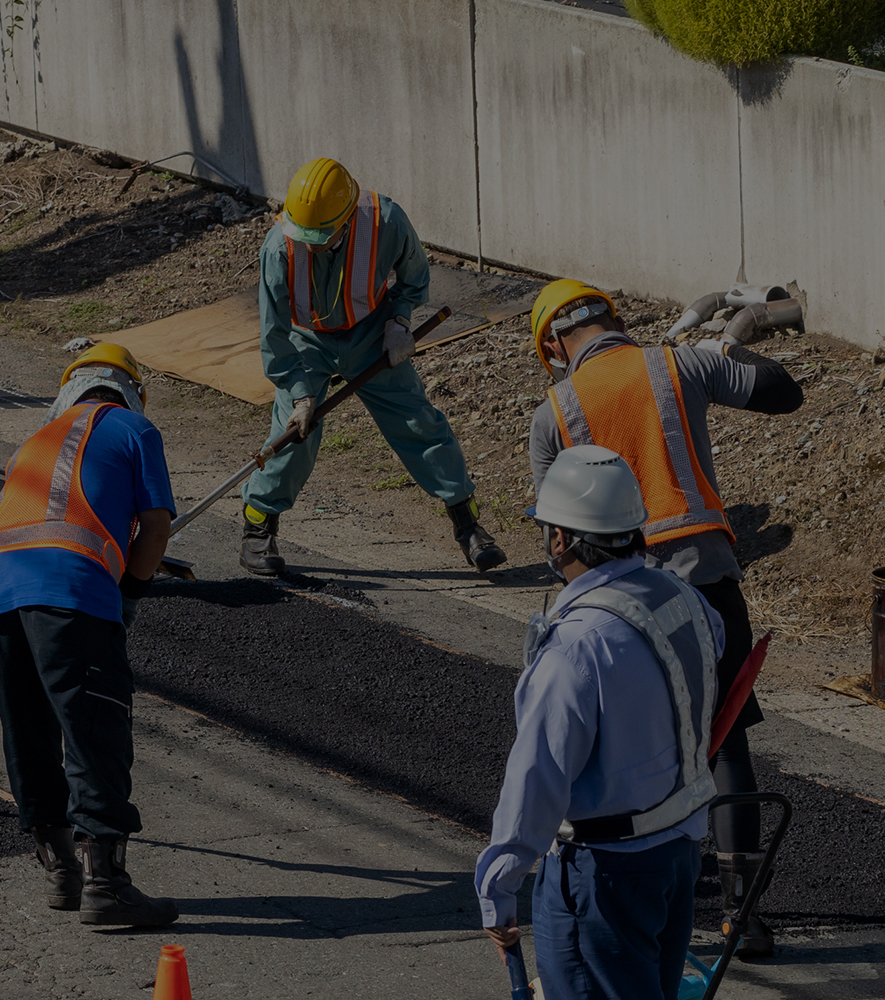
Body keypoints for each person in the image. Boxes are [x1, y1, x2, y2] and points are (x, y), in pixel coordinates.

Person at [526, 279, 803, 957]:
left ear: (554, 346)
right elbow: (784, 392)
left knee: (634, 747)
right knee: (726, 741)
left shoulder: (553, 413)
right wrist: (723, 352)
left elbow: (556, 544)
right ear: (612, 320)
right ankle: (743, 917)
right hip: (707, 587)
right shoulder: (679, 363)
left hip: (621, 606)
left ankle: (637, 897)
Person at [477, 445, 724, 999]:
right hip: (678, 855)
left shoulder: (574, 649)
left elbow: (536, 780)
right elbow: (714, 662)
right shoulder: (684, 599)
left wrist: (498, 888)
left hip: (603, 875)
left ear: (559, 539)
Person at [0, 344, 178, 927]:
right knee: (93, 729)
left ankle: (62, 869)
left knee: (29, 730)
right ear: (133, 390)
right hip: (71, 591)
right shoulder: (136, 428)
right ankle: (105, 882)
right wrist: (130, 595)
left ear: (69, 391)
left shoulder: (33, 442)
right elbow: (158, 525)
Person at [243, 157, 503, 577]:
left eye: (320, 236)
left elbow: (415, 276)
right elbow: (274, 336)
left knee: (418, 423)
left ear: (345, 221)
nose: (310, 244)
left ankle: (469, 527)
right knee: (293, 434)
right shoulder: (278, 248)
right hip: (306, 340)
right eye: (303, 235)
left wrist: (400, 321)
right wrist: (301, 392)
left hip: (371, 332)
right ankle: (258, 527)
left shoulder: (386, 221)